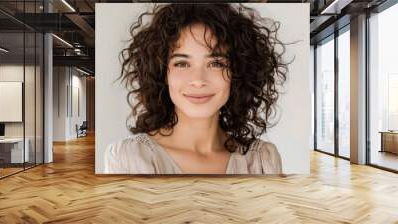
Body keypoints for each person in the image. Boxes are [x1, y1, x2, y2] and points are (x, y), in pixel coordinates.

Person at [104, 3, 288, 174]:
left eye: (215, 63)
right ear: (162, 74)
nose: (198, 80)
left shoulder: (263, 160)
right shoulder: (128, 159)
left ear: (238, 72)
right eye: (182, 63)